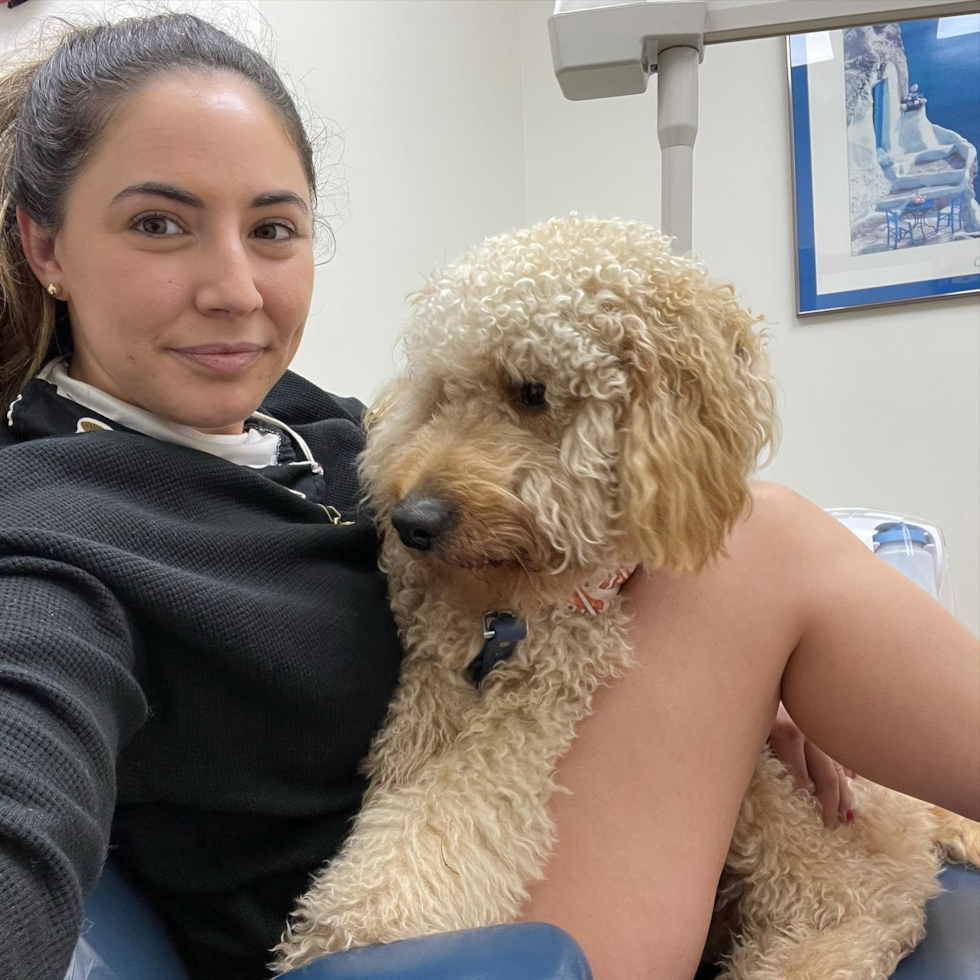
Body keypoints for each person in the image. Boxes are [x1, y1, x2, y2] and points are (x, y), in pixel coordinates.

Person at [0, 13, 976, 980]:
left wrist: (740, 686)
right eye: (158, 225)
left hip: (531, 814)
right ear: (45, 248)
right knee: (762, 537)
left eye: (271, 229)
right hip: (436, 945)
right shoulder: (47, 535)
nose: (236, 290)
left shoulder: (305, 424)